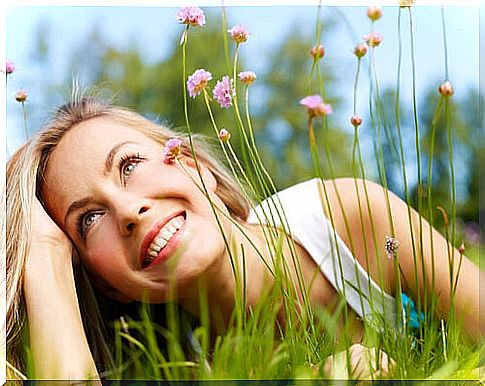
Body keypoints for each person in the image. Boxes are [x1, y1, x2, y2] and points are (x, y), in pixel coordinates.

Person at [4, 96, 483, 381]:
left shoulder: (351, 219)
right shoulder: (175, 365)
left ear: (196, 169)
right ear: (108, 284)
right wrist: (43, 255)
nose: (128, 212)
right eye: (88, 220)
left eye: (130, 165)